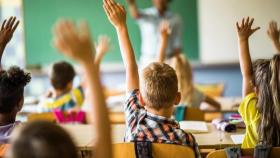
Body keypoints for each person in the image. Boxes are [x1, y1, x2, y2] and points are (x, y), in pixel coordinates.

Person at [103, 0, 200, 157]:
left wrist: (120, 26)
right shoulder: (186, 141)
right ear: (177, 98)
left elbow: (130, 67)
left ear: (140, 99)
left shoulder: (134, 121)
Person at [7, 19, 112, 158]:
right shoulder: (75, 96)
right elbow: (87, 82)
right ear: (70, 84)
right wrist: (92, 58)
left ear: (51, 82)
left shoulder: (43, 104)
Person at [237, 17, 280, 148]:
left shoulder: (253, 112)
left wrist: (242, 40)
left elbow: (247, 74)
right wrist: (276, 42)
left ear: (256, 90)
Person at [158, 21, 221, 110]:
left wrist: (164, 39)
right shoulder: (197, 94)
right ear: (190, 72)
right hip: (195, 124)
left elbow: (158, 66)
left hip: (172, 124)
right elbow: (218, 106)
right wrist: (203, 111)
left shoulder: (169, 94)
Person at [125, 0, 182, 67]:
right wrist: (131, 3)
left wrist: (178, 63)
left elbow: (177, 43)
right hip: (148, 60)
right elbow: (135, 15)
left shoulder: (175, 19)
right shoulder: (147, 15)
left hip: (167, 60)